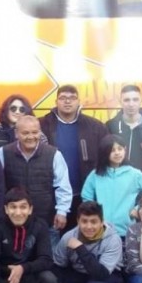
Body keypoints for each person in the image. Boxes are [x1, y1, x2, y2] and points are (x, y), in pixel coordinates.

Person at [39, 85, 108, 228]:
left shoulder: (96, 127)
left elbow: (107, 158)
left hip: (84, 195)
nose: (67, 101)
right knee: (53, 241)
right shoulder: (42, 125)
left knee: (82, 239)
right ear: (56, 101)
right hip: (50, 196)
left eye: (72, 98)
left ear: (79, 102)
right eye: (63, 98)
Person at [0, 116, 72, 244]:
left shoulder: (54, 154)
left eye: (35, 132)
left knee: (47, 261)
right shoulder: (3, 153)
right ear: (16, 133)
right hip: (12, 222)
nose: (31, 137)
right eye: (25, 133)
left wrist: (62, 211)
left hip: (46, 221)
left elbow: (63, 186)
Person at [81, 134, 142, 239]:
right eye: (112, 150)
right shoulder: (95, 174)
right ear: (104, 153)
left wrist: (139, 209)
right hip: (101, 231)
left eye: (120, 149)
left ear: (125, 150)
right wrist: (95, 215)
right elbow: (86, 197)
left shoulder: (134, 174)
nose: (117, 153)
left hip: (127, 231)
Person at [106, 84, 142, 188]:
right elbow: (104, 159)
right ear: (120, 102)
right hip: (118, 187)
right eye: (127, 100)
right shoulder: (110, 127)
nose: (131, 104)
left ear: (141, 101)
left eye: (135, 99)